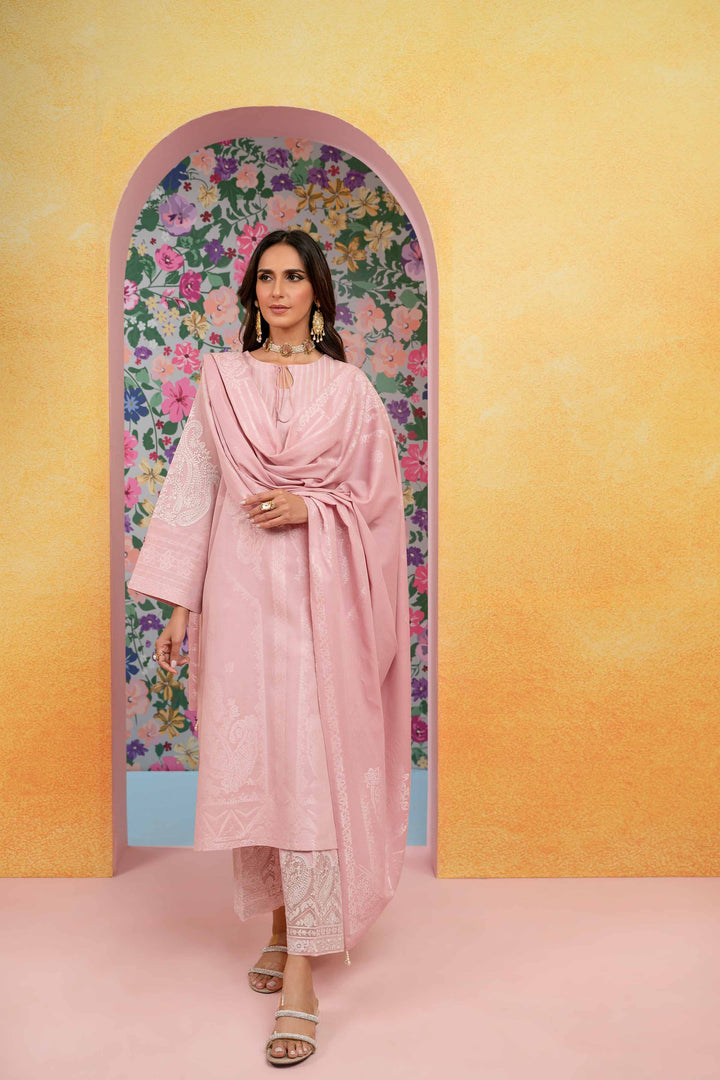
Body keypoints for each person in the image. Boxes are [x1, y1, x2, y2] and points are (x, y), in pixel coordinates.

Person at [127, 228, 411, 1065]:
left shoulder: (350, 390)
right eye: (265, 278)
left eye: (293, 277)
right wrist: (180, 606)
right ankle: (283, 923)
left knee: (312, 765)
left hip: (325, 604)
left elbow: (378, 504)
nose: (278, 290)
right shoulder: (223, 382)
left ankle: (302, 979)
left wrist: (310, 508)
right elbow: (195, 488)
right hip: (242, 598)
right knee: (265, 765)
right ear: (253, 292)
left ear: (317, 291)